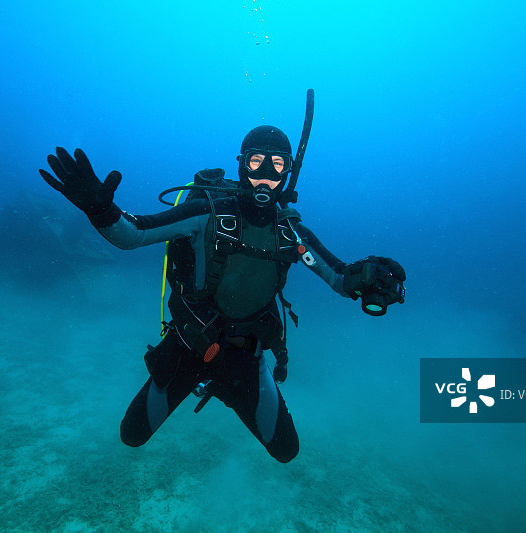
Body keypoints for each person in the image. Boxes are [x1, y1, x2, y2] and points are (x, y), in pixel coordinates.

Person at [39, 124, 406, 463]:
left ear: (289, 172)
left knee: (286, 450)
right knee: (131, 435)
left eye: (277, 164)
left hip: (246, 354)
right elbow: (133, 234)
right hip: (191, 344)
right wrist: (99, 209)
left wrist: (371, 277)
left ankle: (228, 387)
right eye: (256, 161)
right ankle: (206, 378)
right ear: (242, 164)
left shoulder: (292, 234)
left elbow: (340, 278)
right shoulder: (207, 212)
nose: (265, 173)